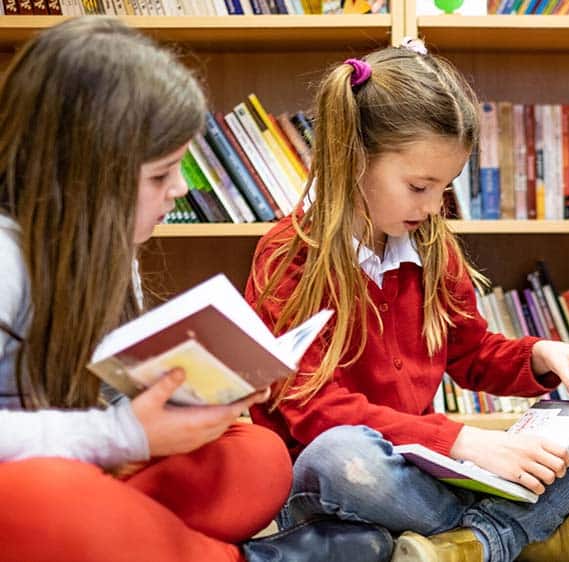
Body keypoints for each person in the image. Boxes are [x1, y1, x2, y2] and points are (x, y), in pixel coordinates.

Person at [0, 17, 392, 562]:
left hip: (93, 464)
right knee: (37, 498)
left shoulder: (105, 248)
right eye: (160, 175)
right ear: (80, 176)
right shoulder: (6, 258)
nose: (180, 189)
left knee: (258, 456)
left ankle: (143, 541)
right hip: (35, 479)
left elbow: (111, 402)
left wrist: (204, 400)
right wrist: (122, 434)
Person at [246, 40, 569, 562]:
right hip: (344, 475)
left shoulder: (430, 245)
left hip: (430, 468)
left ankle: (471, 543)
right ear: (353, 158)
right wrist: (460, 442)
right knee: (343, 455)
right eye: (419, 187)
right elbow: (316, 412)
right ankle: (519, 532)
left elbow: (471, 353)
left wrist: (541, 357)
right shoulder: (290, 256)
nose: (434, 208)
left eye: (445, 188)